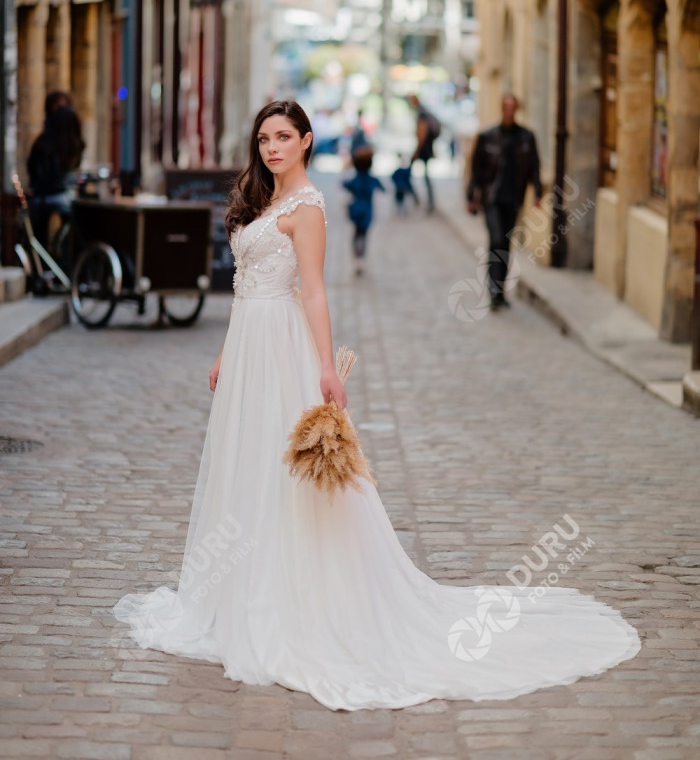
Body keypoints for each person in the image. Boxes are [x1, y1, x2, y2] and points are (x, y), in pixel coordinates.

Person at [112, 97, 640, 711]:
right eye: (264, 139)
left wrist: (324, 369)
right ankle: (235, 591)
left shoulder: (308, 207)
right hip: (248, 349)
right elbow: (243, 287)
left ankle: (295, 601)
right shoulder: (262, 201)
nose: (273, 148)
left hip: (283, 347)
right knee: (245, 465)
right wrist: (227, 353)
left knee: (287, 472)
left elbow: (311, 292)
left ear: (308, 142)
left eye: (284, 137)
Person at [466, 93, 542, 310]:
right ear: (501, 109)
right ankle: (492, 290)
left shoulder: (526, 137)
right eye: (506, 107)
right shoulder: (487, 136)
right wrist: (472, 196)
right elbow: (476, 169)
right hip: (492, 198)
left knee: (506, 245)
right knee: (497, 239)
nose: (509, 111)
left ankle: (500, 292)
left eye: (512, 107)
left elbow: (535, 167)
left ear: (516, 109)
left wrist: (537, 191)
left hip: (513, 198)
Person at [26, 98, 85, 248]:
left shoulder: (43, 142)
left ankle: (44, 259)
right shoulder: (72, 144)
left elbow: (32, 169)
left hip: (42, 198)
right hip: (59, 197)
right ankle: (66, 253)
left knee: (40, 235)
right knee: (75, 217)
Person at [342, 145, 385, 272]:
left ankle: (356, 257)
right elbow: (383, 188)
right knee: (364, 234)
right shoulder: (372, 179)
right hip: (367, 210)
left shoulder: (355, 179)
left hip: (355, 208)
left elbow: (344, 185)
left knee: (356, 233)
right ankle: (361, 258)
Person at [407, 93, 441, 213]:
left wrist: (416, 151)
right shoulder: (423, 112)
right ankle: (426, 201)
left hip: (423, 149)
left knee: (411, 175)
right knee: (424, 176)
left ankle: (427, 202)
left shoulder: (421, 114)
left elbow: (422, 134)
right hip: (426, 148)